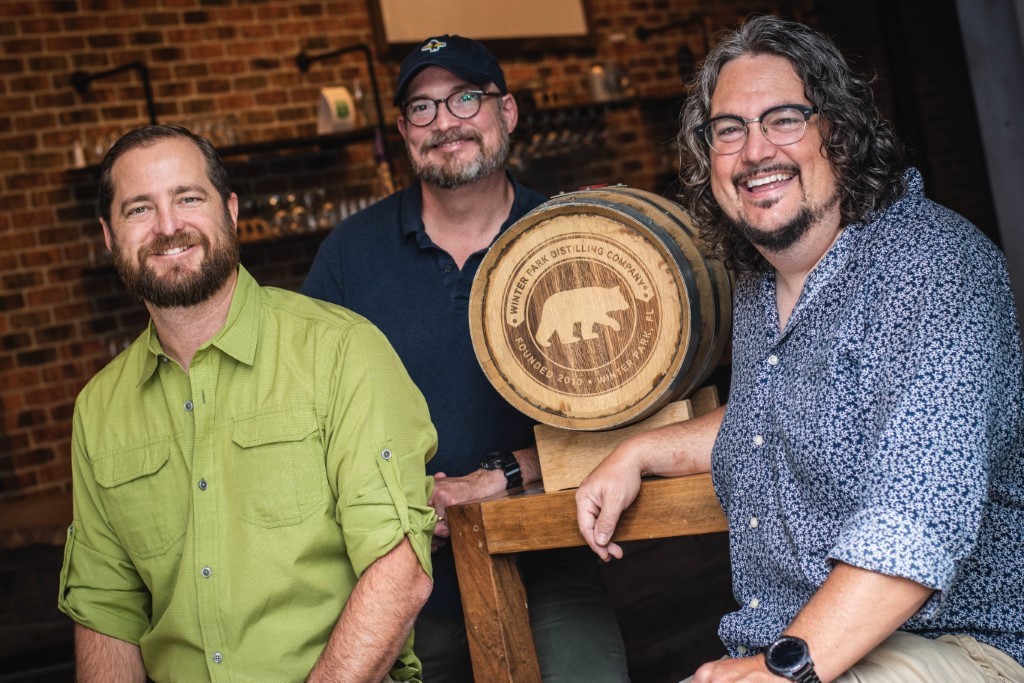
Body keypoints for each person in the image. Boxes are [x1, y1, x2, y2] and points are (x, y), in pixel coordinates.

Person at [575, 14, 1024, 683]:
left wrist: (782, 668)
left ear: (836, 133)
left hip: (957, 643)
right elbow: (769, 421)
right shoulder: (761, 282)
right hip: (796, 647)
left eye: (784, 119)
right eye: (729, 129)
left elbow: (916, 515)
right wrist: (640, 450)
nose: (755, 151)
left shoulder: (932, 267)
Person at [57, 125, 438, 682]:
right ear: (109, 237)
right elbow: (106, 610)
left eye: (188, 198)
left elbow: (398, 570)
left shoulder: (340, 351)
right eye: (139, 209)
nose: (168, 226)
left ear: (230, 211)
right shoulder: (98, 410)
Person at [302, 34, 628, 682]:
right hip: (396, 567)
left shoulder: (576, 238)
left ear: (506, 112)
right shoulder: (350, 254)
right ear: (403, 130)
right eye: (422, 108)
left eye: (465, 98)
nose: (445, 121)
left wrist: (500, 477)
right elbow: (309, 414)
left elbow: (631, 421)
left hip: (550, 553)